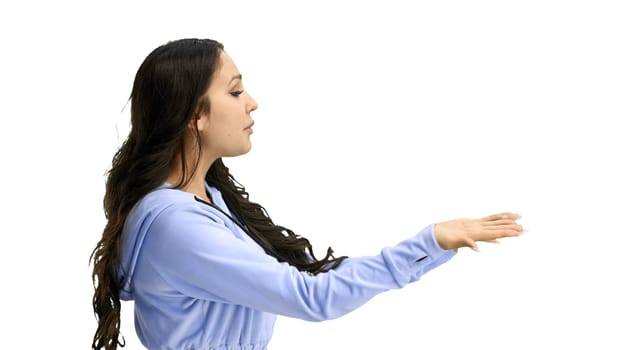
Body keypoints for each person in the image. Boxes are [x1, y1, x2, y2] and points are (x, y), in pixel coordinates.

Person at [90, 38, 524, 350]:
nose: (252, 103)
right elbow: (311, 298)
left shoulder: (209, 203)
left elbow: (311, 281)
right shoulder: (175, 225)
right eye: (235, 90)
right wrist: (428, 242)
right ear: (193, 116)